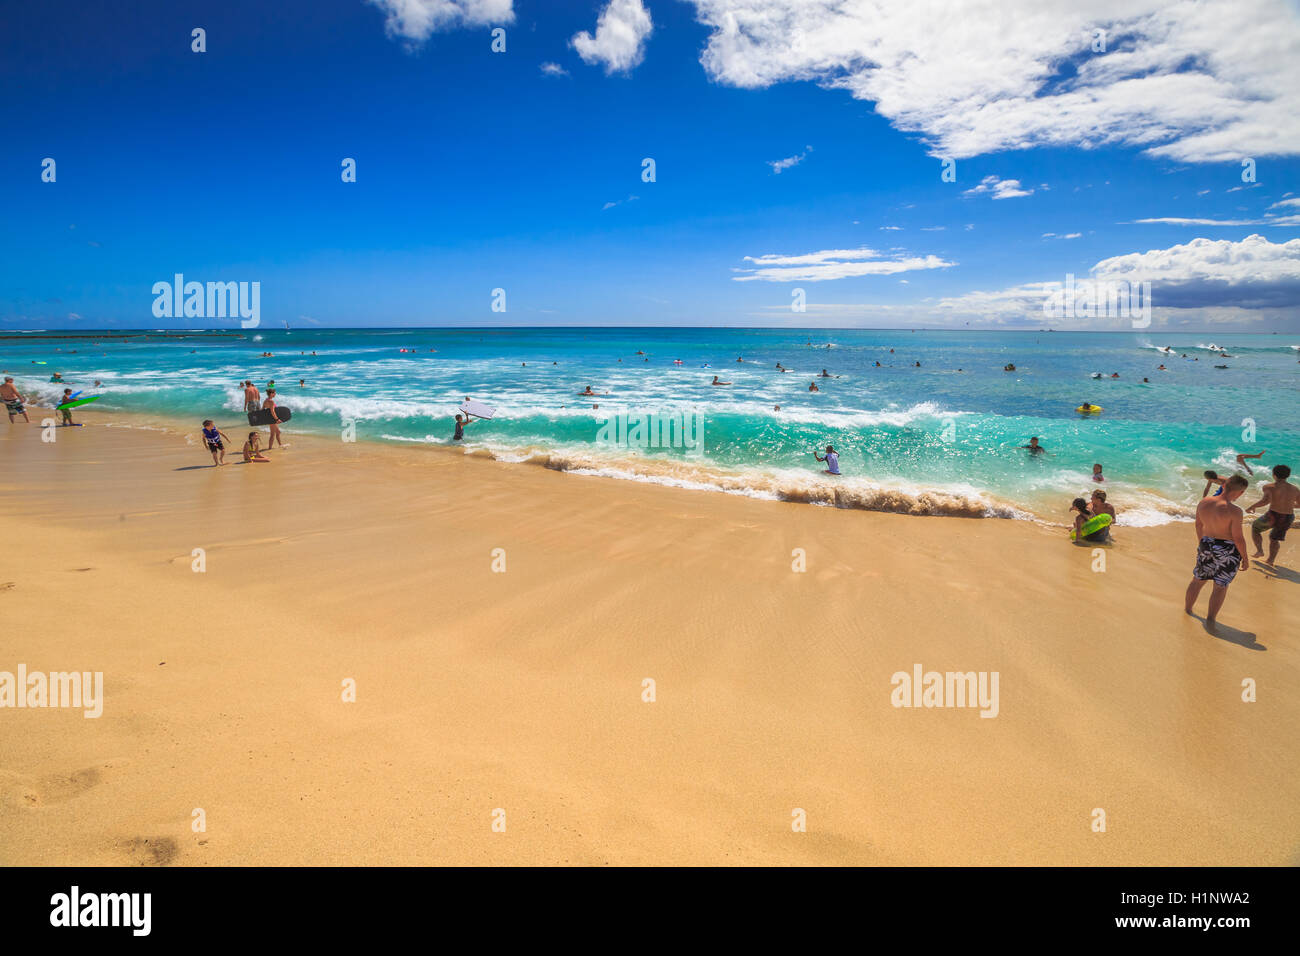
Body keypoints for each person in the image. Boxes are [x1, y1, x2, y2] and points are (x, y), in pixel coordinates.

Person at [1184, 475, 1250, 631]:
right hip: (1227, 550)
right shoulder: (1234, 511)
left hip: (1206, 544)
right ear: (1240, 493)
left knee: (1197, 580)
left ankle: (1187, 610)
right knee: (1220, 586)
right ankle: (1211, 619)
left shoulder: (1204, 502)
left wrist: (1202, 543)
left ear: (1225, 485)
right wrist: (1245, 558)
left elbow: (1198, 526)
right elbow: (1238, 538)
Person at [1245, 464, 1297, 565]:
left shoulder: (1269, 487)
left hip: (1273, 515)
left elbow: (1265, 501)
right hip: (1288, 517)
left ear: (1274, 475)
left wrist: (1252, 507)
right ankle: (1270, 560)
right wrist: (1288, 505)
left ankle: (1260, 551)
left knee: (1255, 527)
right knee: (1274, 538)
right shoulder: (1295, 489)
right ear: (1288, 476)